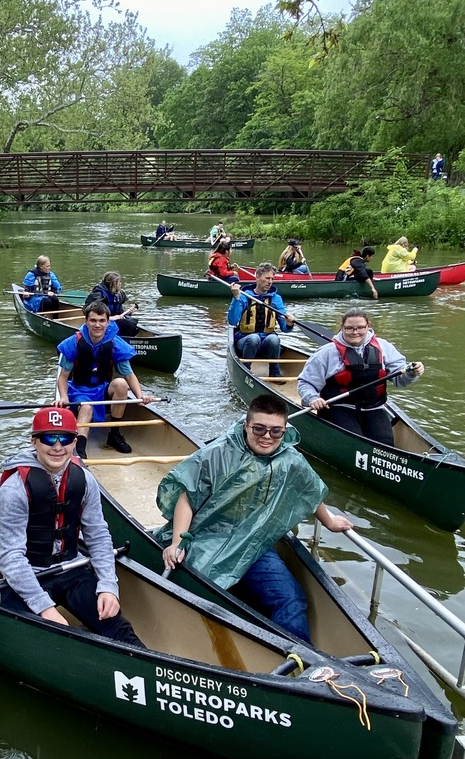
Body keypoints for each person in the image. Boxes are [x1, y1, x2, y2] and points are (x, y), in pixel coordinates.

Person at [156, 394, 353, 641]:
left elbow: (309, 490)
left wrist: (330, 521)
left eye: (276, 431)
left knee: (291, 599)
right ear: (247, 425)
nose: (267, 437)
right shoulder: (218, 452)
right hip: (208, 536)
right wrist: (176, 541)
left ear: (285, 430)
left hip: (254, 543)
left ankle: (299, 661)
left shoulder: (290, 460)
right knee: (199, 587)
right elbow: (187, 495)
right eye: (259, 429)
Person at [0, 406, 146, 648]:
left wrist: (108, 585)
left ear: (74, 441)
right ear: (34, 441)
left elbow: (98, 536)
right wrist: (44, 607)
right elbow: (10, 558)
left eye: (65, 438)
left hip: (72, 568)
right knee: (39, 640)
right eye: (49, 438)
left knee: (117, 628)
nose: (58, 447)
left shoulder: (84, 480)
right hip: (29, 573)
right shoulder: (14, 489)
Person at [297, 308, 425, 445]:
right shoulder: (326, 353)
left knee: (385, 443)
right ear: (342, 328)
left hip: (374, 407)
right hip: (339, 406)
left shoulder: (384, 347)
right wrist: (313, 398)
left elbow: (401, 380)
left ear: (368, 326)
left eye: (360, 328)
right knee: (352, 441)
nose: (355, 332)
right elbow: (305, 382)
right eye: (349, 328)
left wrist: (412, 373)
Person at [56, 301, 154, 458]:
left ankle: (114, 435)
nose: (97, 325)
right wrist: (64, 397)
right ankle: (80, 449)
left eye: (102, 321)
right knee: (86, 407)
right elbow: (63, 377)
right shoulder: (73, 342)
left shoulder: (115, 342)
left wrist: (140, 396)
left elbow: (129, 374)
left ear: (108, 322)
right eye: (93, 320)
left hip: (102, 389)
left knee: (121, 384)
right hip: (79, 390)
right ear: (86, 321)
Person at [227, 262, 295, 382]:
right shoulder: (243, 296)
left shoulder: (275, 298)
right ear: (257, 277)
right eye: (267, 278)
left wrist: (289, 323)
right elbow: (232, 320)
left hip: (266, 342)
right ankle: (246, 370)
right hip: (245, 341)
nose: (270, 281)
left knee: (274, 339)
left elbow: (284, 328)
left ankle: (274, 373)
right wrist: (236, 298)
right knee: (253, 338)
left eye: (272, 279)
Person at [85, 271, 139, 337]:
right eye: (119, 282)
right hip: (103, 321)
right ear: (114, 283)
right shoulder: (98, 294)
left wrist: (128, 313)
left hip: (113, 320)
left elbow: (119, 312)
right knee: (127, 324)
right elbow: (88, 312)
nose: (120, 284)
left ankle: (125, 338)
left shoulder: (118, 294)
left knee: (132, 322)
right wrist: (110, 318)